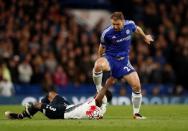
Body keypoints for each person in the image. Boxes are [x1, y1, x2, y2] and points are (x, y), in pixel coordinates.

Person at [93, 12, 154, 119]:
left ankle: (136, 113)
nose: (115, 26)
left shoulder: (129, 25)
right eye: (113, 24)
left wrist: (144, 37)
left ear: (123, 21)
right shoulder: (107, 33)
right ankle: (98, 88)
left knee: (137, 86)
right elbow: (101, 48)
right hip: (110, 59)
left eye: (118, 24)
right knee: (98, 65)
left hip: (124, 62)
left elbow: (137, 28)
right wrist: (101, 58)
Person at [5, 85, 112, 120]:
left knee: (38, 104)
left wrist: (108, 83)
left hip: (62, 113)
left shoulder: (99, 103)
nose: (97, 93)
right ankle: (32, 110)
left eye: (100, 93)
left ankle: (21, 115)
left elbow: (102, 93)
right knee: (51, 94)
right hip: (68, 106)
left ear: (103, 97)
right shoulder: (98, 104)